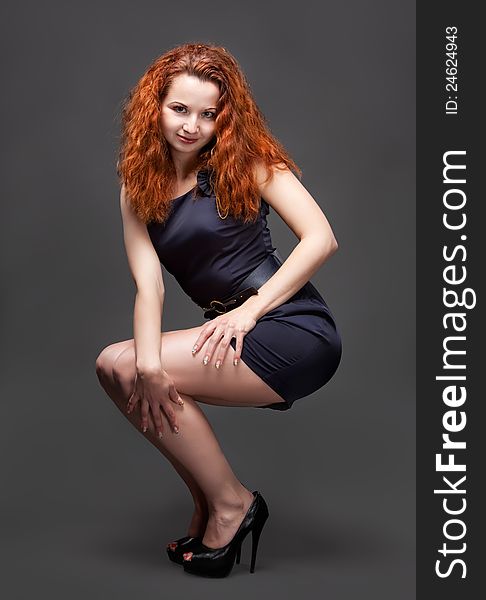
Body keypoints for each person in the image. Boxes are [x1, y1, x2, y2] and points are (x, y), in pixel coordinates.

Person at [95, 42, 342, 578]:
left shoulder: (248, 162)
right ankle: (211, 505)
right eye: (179, 109)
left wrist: (250, 311)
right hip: (232, 329)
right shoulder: (137, 186)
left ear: (223, 119)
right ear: (153, 106)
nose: (191, 125)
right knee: (128, 370)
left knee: (121, 364)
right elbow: (150, 288)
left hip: (289, 325)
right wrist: (151, 365)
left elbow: (321, 239)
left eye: (207, 114)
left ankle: (233, 504)